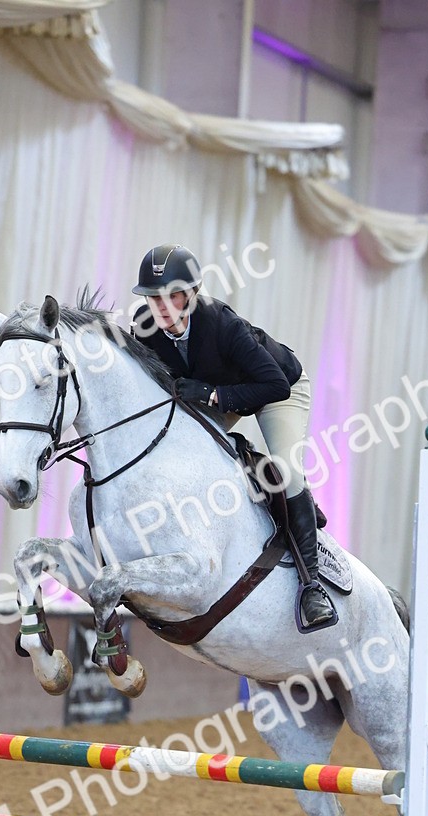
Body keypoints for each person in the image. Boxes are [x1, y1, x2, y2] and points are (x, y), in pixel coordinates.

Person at [131, 243, 336, 630]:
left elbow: (273, 384)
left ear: (191, 294)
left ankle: (312, 587)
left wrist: (213, 396)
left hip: (280, 388)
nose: (162, 307)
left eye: (172, 295)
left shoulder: (221, 323)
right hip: (221, 391)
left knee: (288, 472)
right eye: (154, 297)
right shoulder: (145, 327)